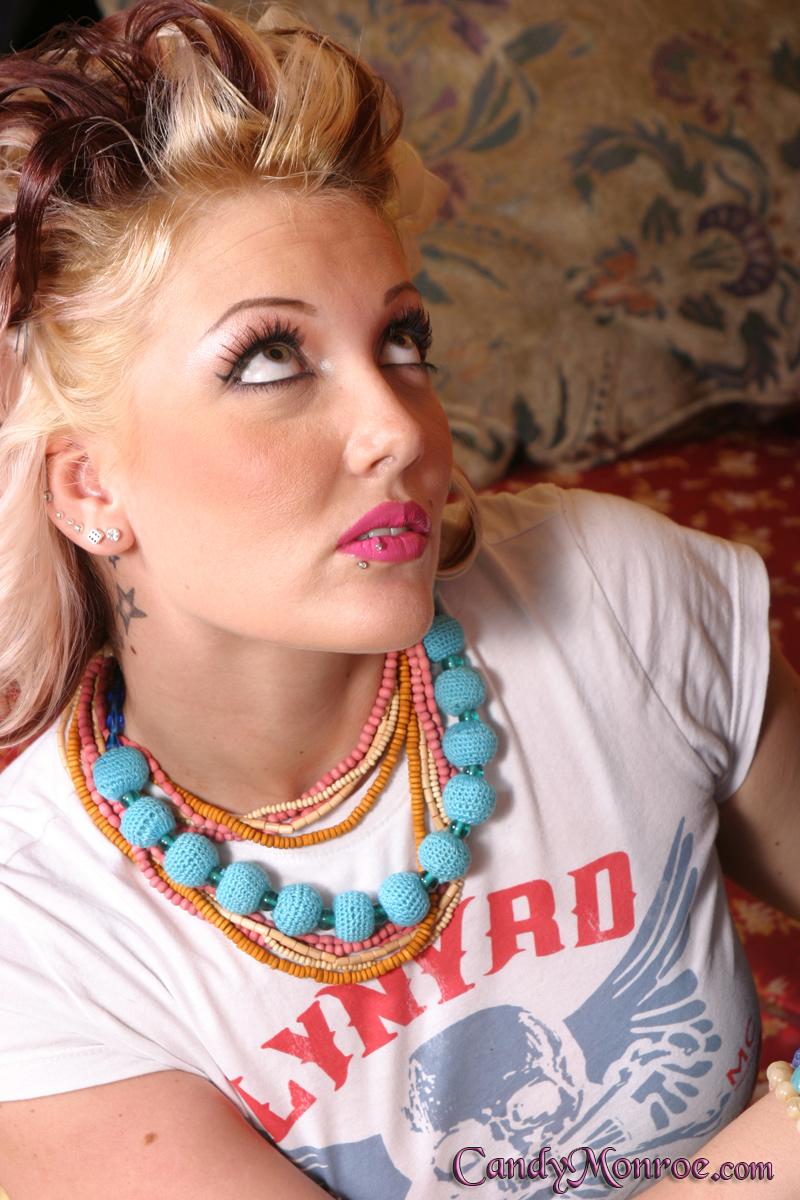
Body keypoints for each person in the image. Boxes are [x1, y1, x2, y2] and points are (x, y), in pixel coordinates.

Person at [0, 2, 798, 1197]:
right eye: (271, 358)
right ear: (89, 487)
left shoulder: (617, 595)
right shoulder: (36, 937)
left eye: (402, 340)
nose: (398, 429)